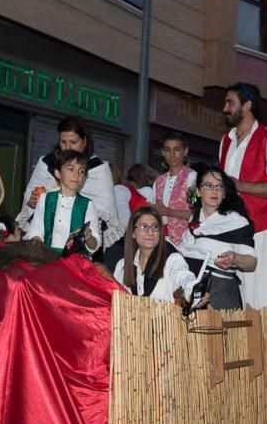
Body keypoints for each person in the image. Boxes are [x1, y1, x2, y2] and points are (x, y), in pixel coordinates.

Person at [219, 82, 267, 309]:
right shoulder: (225, 141)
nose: (225, 108)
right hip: (229, 233)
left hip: (260, 232)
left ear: (248, 105)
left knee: (262, 305)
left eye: (230, 102)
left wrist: (239, 185)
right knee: (233, 305)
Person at [15, 116, 122, 250]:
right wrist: (32, 202)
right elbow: (30, 211)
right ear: (57, 173)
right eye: (63, 142)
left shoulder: (98, 169)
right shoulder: (47, 163)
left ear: (84, 141)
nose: (67, 147)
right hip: (46, 246)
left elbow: (106, 211)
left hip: (80, 251)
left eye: (73, 142)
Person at [180, 166, 257, 309]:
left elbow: (251, 263)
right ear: (198, 191)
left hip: (220, 291)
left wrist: (234, 258)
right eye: (208, 185)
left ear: (224, 193)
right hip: (189, 286)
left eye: (219, 186)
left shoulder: (236, 221)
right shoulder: (195, 217)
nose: (214, 191)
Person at [114, 207, 198, 302]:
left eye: (155, 227)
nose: (150, 232)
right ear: (133, 233)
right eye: (143, 227)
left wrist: (194, 290)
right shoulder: (122, 266)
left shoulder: (172, 259)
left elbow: (184, 277)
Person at [26, 149, 100, 254]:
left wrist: (89, 237)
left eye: (81, 171)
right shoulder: (45, 199)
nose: (76, 175)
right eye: (71, 169)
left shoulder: (88, 205)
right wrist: (36, 241)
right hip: (47, 259)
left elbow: (95, 245)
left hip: (74, 263)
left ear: (84, 178)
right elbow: (36, 230)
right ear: (58, 173)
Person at [153, 132, 197, 247]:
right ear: (163, 152)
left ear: (185, 151)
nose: (172, 155)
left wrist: (167, 211)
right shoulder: (158, 181)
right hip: (160, 240)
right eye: (167, 150)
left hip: (185, 242)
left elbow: (196, 214)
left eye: (176, 149)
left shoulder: (192, 178)